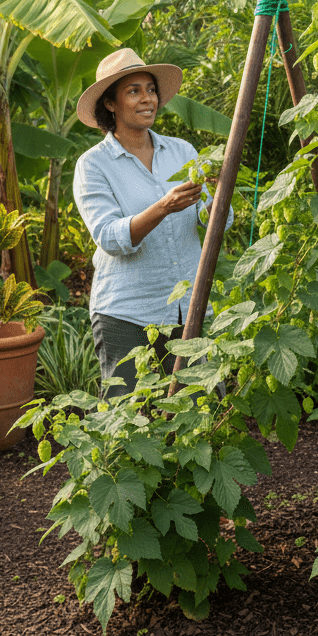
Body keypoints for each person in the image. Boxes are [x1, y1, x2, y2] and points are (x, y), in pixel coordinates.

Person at [72, 47, 227, 398]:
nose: (148, 99)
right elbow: (109, 237)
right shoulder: (94, 165)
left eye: (151, 89)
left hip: (188, 306)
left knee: (201, 412)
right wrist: (163, 207)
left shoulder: (182, 152)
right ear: (110, 104)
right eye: (134, 91)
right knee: (124, 420)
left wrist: (219, 197)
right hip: (126, 313)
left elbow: (213, 222)